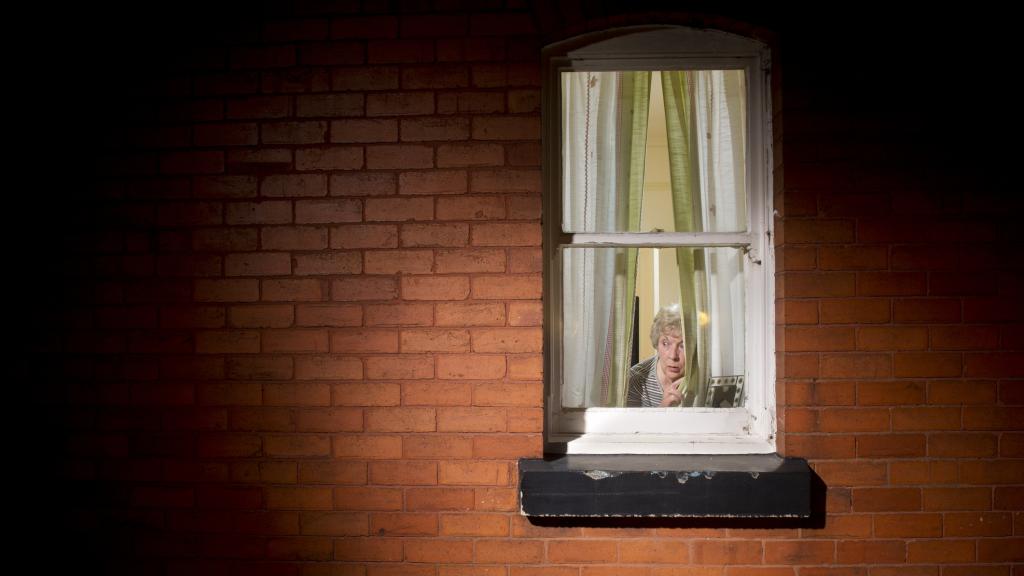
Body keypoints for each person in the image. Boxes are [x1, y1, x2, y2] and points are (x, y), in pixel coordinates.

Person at [626, 304, 687, 407]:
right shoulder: (635, 381)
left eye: (682, 346)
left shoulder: (704, 378)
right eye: (666, 344)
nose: (673, 356)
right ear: (657, 343)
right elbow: (631, 423)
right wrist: (662, 409)